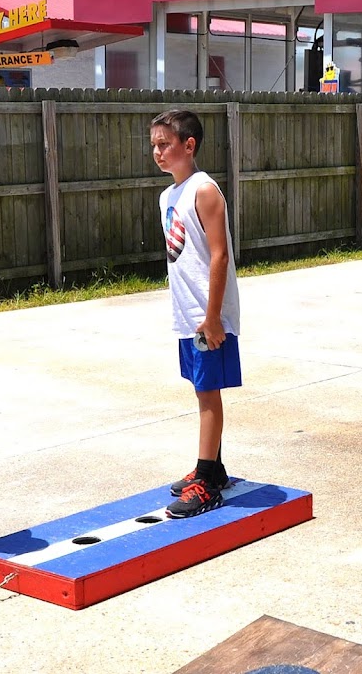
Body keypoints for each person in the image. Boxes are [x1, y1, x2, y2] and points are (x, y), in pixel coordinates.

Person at [151, 109, 241, 519]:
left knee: (208, 393)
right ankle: (213, 467)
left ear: (189, 145)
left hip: (209, 314)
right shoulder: (168, 196)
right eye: (154, 145)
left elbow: (220, 255)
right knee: (199, 387)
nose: (158, 152)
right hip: (187, 314)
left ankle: (206, 482)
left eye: (165, 144)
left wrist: (213, 316)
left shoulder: (205, 191)